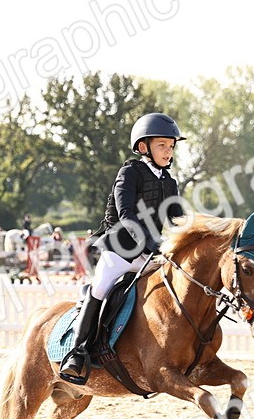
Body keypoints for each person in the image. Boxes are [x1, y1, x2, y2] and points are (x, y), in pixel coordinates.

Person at [59, 112, 185, 385]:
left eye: (171, 145)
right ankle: (76, 353)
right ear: (144, 147)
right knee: (101, 289)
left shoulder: (170, 182)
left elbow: (178, 221)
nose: (168, 150)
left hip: (151, 255)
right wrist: (151, 241)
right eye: (162, 145)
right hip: (120, 250)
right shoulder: (129, 172)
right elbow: (126, 213)